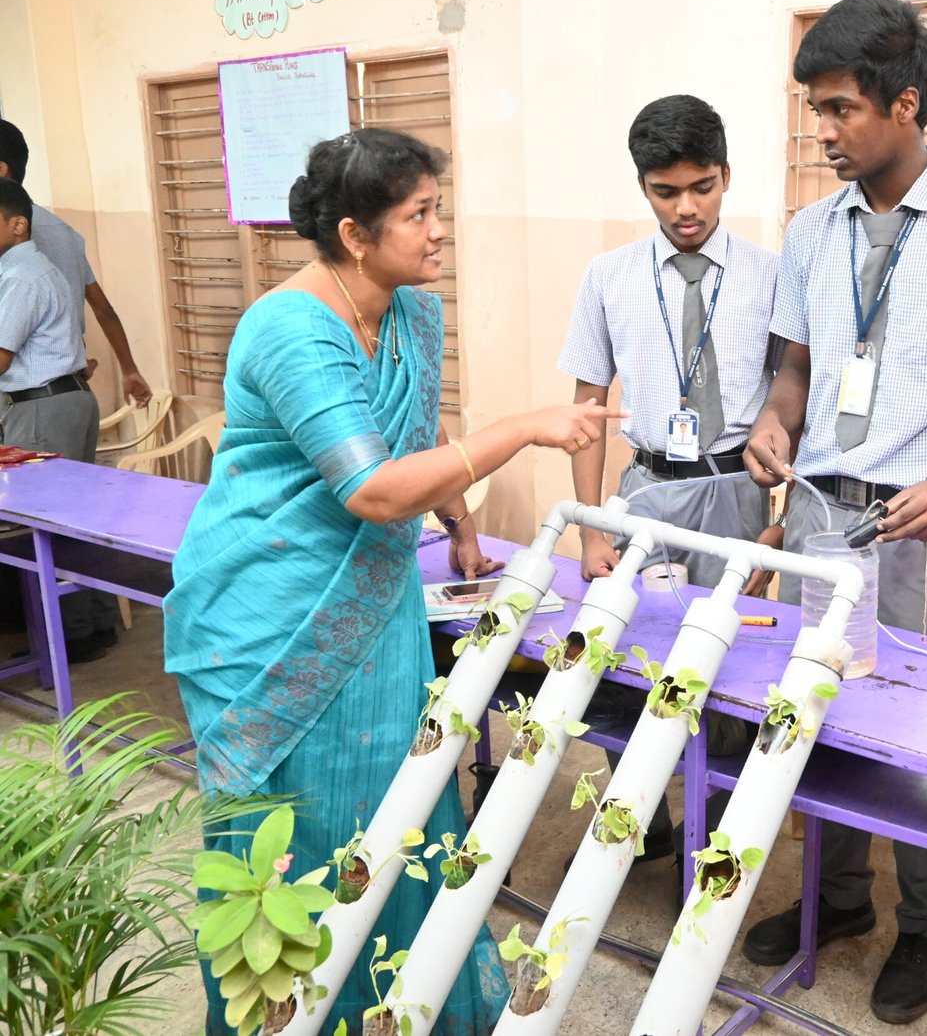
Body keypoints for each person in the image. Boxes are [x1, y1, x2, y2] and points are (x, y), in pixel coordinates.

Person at [164, 129, 622, 1035]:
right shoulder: (290, 329)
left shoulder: (412, 309)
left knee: (398, 817)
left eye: (437, 208)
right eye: (419, 215)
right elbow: (372, 488)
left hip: (376, 610)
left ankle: (403, 1009)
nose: (439, 230)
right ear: (354, 234)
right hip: (271, 617)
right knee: (296, 839)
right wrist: (523, 427)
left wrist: (459, 523)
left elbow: (414, 428)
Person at [742, 0, 927, 1024]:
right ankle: (837, 900)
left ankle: (924, 923)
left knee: (920, 737)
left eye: (841, 109)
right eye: (815, 111)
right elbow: (795, 365)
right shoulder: (809, 231)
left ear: (905, 103)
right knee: (817, 721)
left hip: (921, 526)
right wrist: (774, 420)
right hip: (820, 519)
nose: (823, 131)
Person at [557, 94, 780, 861]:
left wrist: (778, 523)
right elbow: (587, 407)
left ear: (727, 176)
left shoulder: (770, 275)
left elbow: (793, 399)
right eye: (666, 191)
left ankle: (714, 837)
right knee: (629, 659)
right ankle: (637, 826)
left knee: (733, 665)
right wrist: (591, 527)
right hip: (646, 490)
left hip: (737, 492)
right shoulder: (609, 276)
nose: (686, 208)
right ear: (642, 186)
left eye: (702, 187)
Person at [0, 120, 151, 661]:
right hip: (68, 390)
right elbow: (99, 307)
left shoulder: (21, 262)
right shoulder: (60, 232)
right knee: (78, 517)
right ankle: (95, 623)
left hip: (40, 400)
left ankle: (69, 636)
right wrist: (128, 368)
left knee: (45, 521)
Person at [0, 178, 94, 467]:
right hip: (60, 402)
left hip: (40, 408)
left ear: (18, 225)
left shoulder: (21, 277)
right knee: (68, 496)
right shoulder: (35, 268)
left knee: (34, 494)